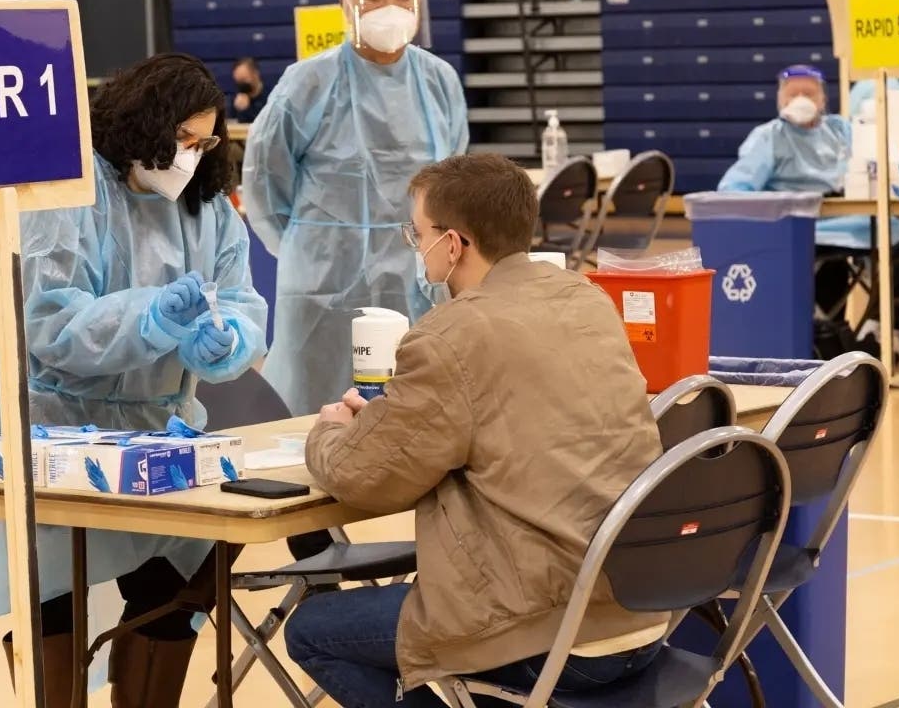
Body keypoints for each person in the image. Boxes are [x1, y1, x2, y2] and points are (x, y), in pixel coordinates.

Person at [0, 53, 268, 707]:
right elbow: (49, 326)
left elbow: (239, 299)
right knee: (51, 598)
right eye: (181, 139)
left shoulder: (206, 206)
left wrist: (225, 339)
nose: (192, 155)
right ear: (141, 125)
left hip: (156, 428)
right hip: (47, 420)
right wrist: (150, 317)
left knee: (182, 584)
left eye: (204, 142)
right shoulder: (63, 193)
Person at [284, 154, 668, 707]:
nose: (416, 248)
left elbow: (360, 476)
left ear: (454, 244)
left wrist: (331, 428)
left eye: (417, 235)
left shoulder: (451, 334)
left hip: (545, 629)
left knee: (312, 630)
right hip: (641, 606)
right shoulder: (586, 298)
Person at [243, 0, 469, 418]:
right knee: (308, 413)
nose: (391, 11)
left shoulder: (439, 82)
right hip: (323, 282)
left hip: (417, 280)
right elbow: (266, 181)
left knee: (411, 411)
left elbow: (453, 180)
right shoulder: (308, 83)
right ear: (347, 5)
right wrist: (315, 247)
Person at [718, 64, 899, 345]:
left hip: (851, 218)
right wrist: (786, 204)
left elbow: (868, 162)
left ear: (822, 100)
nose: (801, 100)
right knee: (833, 261)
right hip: (802, 225)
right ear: (781, 100)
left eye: (808, 93)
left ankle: (877, 327)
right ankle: (830, 334)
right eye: (793, 94)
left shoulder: (840, 130)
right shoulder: (769, 138)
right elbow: (732, 190)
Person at [231, 56, 267, 123]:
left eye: (244, 79)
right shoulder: (236, 97)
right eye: (238, 81)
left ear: (255, 74)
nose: (242, 85)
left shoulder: (270, 96)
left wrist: (246, 110)